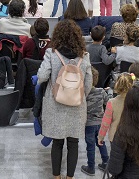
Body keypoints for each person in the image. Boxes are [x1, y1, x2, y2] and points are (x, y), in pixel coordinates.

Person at [37, 20, 93, 179]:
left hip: (55, 105)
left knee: (57, 142)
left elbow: (42, 77)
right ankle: (70, 177)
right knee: (73, 143)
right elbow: (89, 83)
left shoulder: (52, 54)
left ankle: (56, 176)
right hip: (77, 106)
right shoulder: (84, 56)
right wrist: (78, 95)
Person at [83, 66, 110, 175]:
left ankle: (91, 167)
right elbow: (108, 102)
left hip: (89, 123)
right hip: (101, 122)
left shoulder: (84, 93)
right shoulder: (101, 91)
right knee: (101, 142)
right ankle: (106, 162)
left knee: (90, 146)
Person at [98, 72, 134, 148]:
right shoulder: (136, 101)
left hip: (115, 136)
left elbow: (106, 122)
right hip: (132, 135)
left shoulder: (111, 102)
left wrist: (101, 136)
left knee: (116, 158)